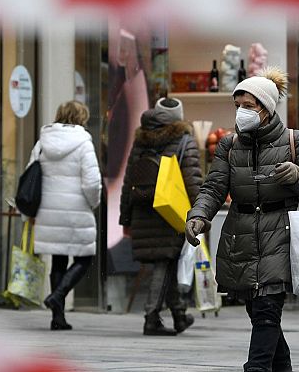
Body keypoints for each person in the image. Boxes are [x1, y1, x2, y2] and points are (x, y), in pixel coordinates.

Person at [184, 67, 299, 372]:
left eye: (249, 105)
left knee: (266, 310)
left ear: (266, 106)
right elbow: (215, 185)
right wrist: (199, 214)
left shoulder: (295, 140)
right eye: (238, 106)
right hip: (241, 235)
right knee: (258, 311)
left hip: (281, 232)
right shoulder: (230, 145)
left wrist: (298, 174)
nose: (242, 113)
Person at [119, 97, 202, 336]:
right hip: (169, 210)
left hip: (142, 209)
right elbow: (192, 180)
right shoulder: (184, 140)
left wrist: (125, 218)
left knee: (167, 261)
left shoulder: (140, 139)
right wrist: (200, 213)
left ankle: (178, 315)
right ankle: (151, 317)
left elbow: (128, 181)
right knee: (163, 263)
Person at [29, 101, 102, 330]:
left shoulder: (43, 142)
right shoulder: (83, 143)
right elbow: (91, 182)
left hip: (48, 210)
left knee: (58, 259)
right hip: (76, 209)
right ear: (81, 118)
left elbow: (30, 174)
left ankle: (57, 318)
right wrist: (93, 203)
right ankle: (58, 295)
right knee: (84, 258)